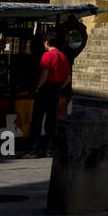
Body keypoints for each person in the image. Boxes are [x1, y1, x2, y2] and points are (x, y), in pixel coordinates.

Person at [24, 29, 71, 159]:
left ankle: (32, 151)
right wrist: (59, 87)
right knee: (51, 122)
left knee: (37, 121)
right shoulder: (63, 57)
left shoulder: (47, 56)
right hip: (56, 90)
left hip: (45, 89)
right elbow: (68, 78)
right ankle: (49, 150)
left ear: (46, 42)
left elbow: (44, 74)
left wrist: (38, 87)